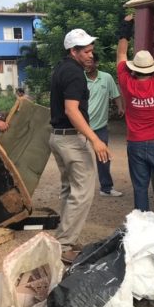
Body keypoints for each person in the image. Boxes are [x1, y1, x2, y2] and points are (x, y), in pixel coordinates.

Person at [50, 28, 110, 263]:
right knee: (82, 192)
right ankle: (64, 245)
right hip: (71, 138)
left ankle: (65, 240)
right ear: (73, 51)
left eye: (91, 51)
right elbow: (71, 110)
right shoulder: (74, 73)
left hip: (57, 136)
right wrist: (95, 139)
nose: (90, 55)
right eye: (86, 51)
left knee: (69, 188)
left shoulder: (61, 68)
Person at [116, 12, 154, 212]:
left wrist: (125, 28)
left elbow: (121, 54)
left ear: (135, 69)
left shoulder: (127, 83)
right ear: (152, 69)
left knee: (140, 188)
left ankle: (142, 227)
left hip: (135, 144)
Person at [85, 57, 125, 197]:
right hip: (82, 126)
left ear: (96, 63)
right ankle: (74, 190)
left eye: (90, 63)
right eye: (85, 63)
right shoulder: (79, 78)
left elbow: (115, 95)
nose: (87, 66)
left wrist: (120, 107)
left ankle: (106, 188)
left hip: (100, 127)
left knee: (103, 158)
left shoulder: (106, 78)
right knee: (78, 159)